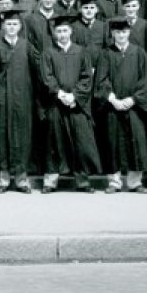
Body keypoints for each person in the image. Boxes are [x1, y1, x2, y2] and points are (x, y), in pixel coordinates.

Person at [38, 15, 100, 192]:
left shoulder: (81, 52)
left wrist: (74, 96)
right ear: (54, 33)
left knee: (80, 142)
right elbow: (46, 77)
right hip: (55, 104)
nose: (62, 34)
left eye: (65, 30)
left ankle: (83, 181)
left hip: (76, 105)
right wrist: (59, 94)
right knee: (54, 142)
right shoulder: (48, 53)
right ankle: (50, 181)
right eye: (59, 31)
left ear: (71, 31)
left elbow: (86, 77)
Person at [96, 17, 147, 193]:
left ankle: (135, 182)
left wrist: (133, 99)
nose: (121, 35)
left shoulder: (139, 52)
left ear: (129, 32)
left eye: (124, 32)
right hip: (113, 105)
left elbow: (146, 80)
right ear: (112, 33)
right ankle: (114, 182)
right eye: (118, 32)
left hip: (134, 106)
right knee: (113, 143)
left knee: (136, 142)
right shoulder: (106, 53)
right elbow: (101, 79)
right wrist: (113, 99)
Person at [0, 8, 35, 194]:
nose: (12, 27)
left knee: (23, 137)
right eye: (8, 24)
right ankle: (3, 178)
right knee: (2, 138)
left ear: (20, 26)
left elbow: (35, 74)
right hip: (2, 100)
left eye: (15, 24)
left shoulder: (27, 46)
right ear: (2, 26)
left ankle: (22, 179)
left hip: (23, 100)